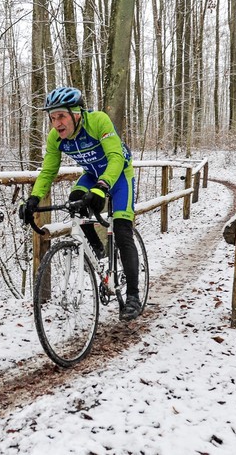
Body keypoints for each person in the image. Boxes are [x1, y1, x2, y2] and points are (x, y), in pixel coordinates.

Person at [21, 86, 142, 321]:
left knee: (122, 230)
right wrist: (33, 199)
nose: (56, 123)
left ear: (76, 113)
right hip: (92, 175)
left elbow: (116, 158)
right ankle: (96, 247)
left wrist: (103, 186)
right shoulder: (56, 138)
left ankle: (133, 296)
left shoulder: (98, 121)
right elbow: (48, 171)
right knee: (75, 201)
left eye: (61, 116)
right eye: (52, 117)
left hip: (119, 175)